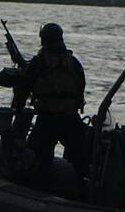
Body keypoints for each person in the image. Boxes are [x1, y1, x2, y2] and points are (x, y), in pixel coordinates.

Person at [13, 22, 88, 181]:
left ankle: (39, 187)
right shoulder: (73, 62)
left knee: (37, 156)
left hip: (47, 118)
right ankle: (85, 187)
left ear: (44, 39)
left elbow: (24, 88)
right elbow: (80, 87)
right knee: (81, 158)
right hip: (70, 117)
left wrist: (17, 108)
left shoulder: (39, 62)